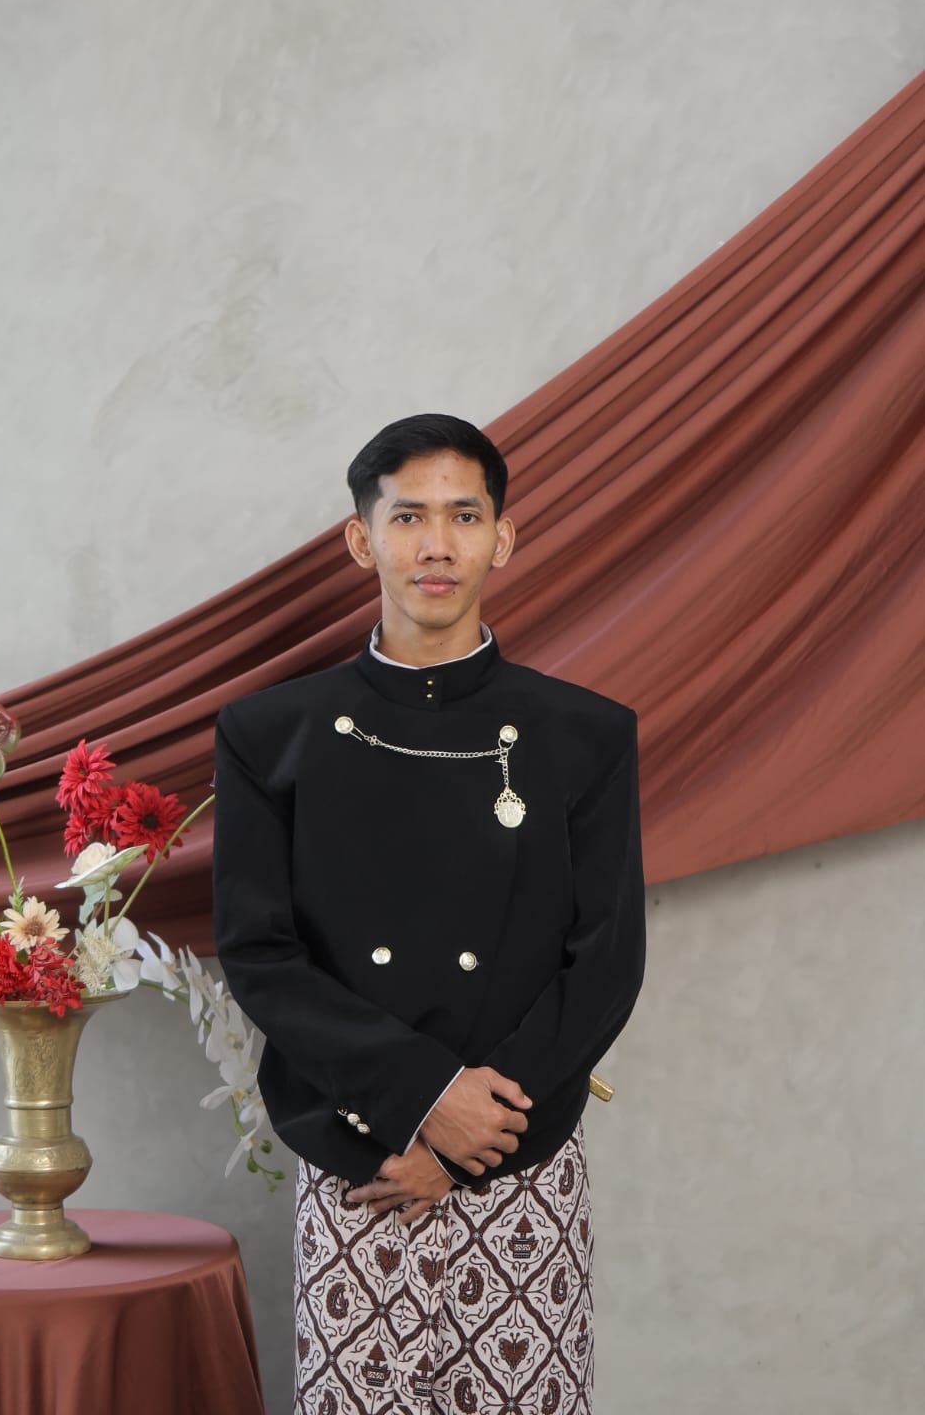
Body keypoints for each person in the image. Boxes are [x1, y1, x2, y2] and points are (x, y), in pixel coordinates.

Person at [213, 413, 646, 1415]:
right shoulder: (269, 734)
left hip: (517, 1160)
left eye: (464, 515)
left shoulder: (584, 734)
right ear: (361, 540)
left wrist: (465, 1135)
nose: (437, 544)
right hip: (359, 1156)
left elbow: (605, 957)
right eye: (408, 516)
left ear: (504, 538)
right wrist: (418, 1100)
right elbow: (259, 952)